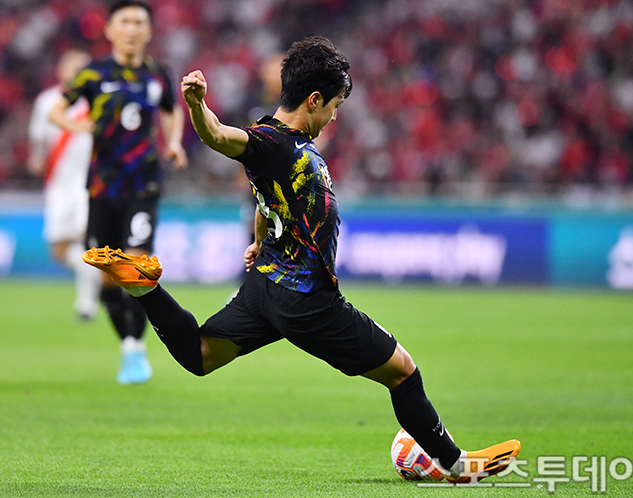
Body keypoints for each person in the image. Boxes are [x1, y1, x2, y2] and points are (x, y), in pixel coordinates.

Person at [82, 36, 520, 482]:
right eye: (334, 105)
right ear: (313, 100)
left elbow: (265, 195)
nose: (334, 116)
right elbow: (218, 135)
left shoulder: (278, 138)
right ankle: (456, 465)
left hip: (266, 286)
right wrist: (197, 106)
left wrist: (260, 239)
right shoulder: (272, 142)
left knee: (200, 354)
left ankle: (146, 289)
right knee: (403, 373)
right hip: (307, 300)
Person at [49, 0, 187, 385]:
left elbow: (171, 109)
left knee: (135, 266)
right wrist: (75, 126)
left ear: (148, 31)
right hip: (102, 186)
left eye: (139, 22)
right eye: (124, 21)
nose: (132, 29)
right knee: (108, 276)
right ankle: (129, 345)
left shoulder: (158, 74)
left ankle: (136, 347)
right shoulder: (93, 74)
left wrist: (174, 142)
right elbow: (56, 110)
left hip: (143, 185)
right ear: (109, 29)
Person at [28, 49, 102, 321]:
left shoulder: (98, 101)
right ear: (61, 71)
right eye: (72, 67)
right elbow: (39, 139)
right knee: (59, 250)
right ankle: (95, 279)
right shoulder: (47, 101)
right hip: (58, 185)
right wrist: (37, 158)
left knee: (86, 242)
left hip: (89, 184)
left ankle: (86, 304)